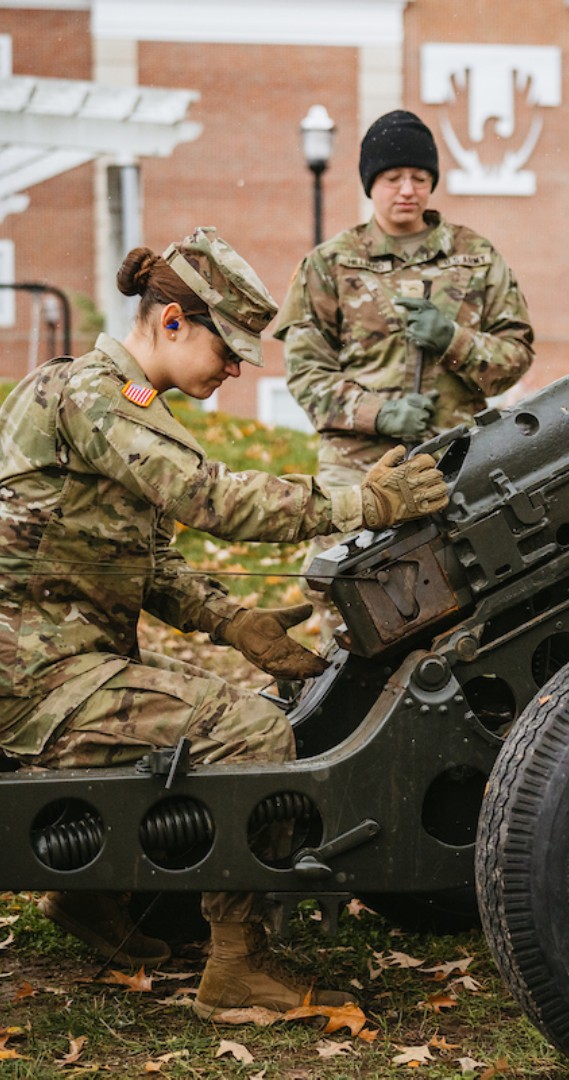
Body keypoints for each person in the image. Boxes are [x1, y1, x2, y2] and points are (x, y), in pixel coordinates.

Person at [0, 227, 448, 1021]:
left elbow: (148, 564)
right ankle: (238, 970)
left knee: (229, 710)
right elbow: (211, 498)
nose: (236, 369)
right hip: (33, 679)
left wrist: (233, 621)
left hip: (54, 663)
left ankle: (92, 897)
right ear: (172, 321)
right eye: (229, 348)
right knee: (253, 735)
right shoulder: (96, 397)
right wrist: (365, 503)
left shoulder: (117, 400)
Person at [277, 109, 534, 640]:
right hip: (358, 469)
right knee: (347, 600)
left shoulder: (475, 258)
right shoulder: (330, 265)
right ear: (371, 184)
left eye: (419, 177)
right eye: (393, 177)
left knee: (463, 594)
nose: (407, 190)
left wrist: (453, 340)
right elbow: (305, 372)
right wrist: (379, 413)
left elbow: (516, 354)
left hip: (454, 463)